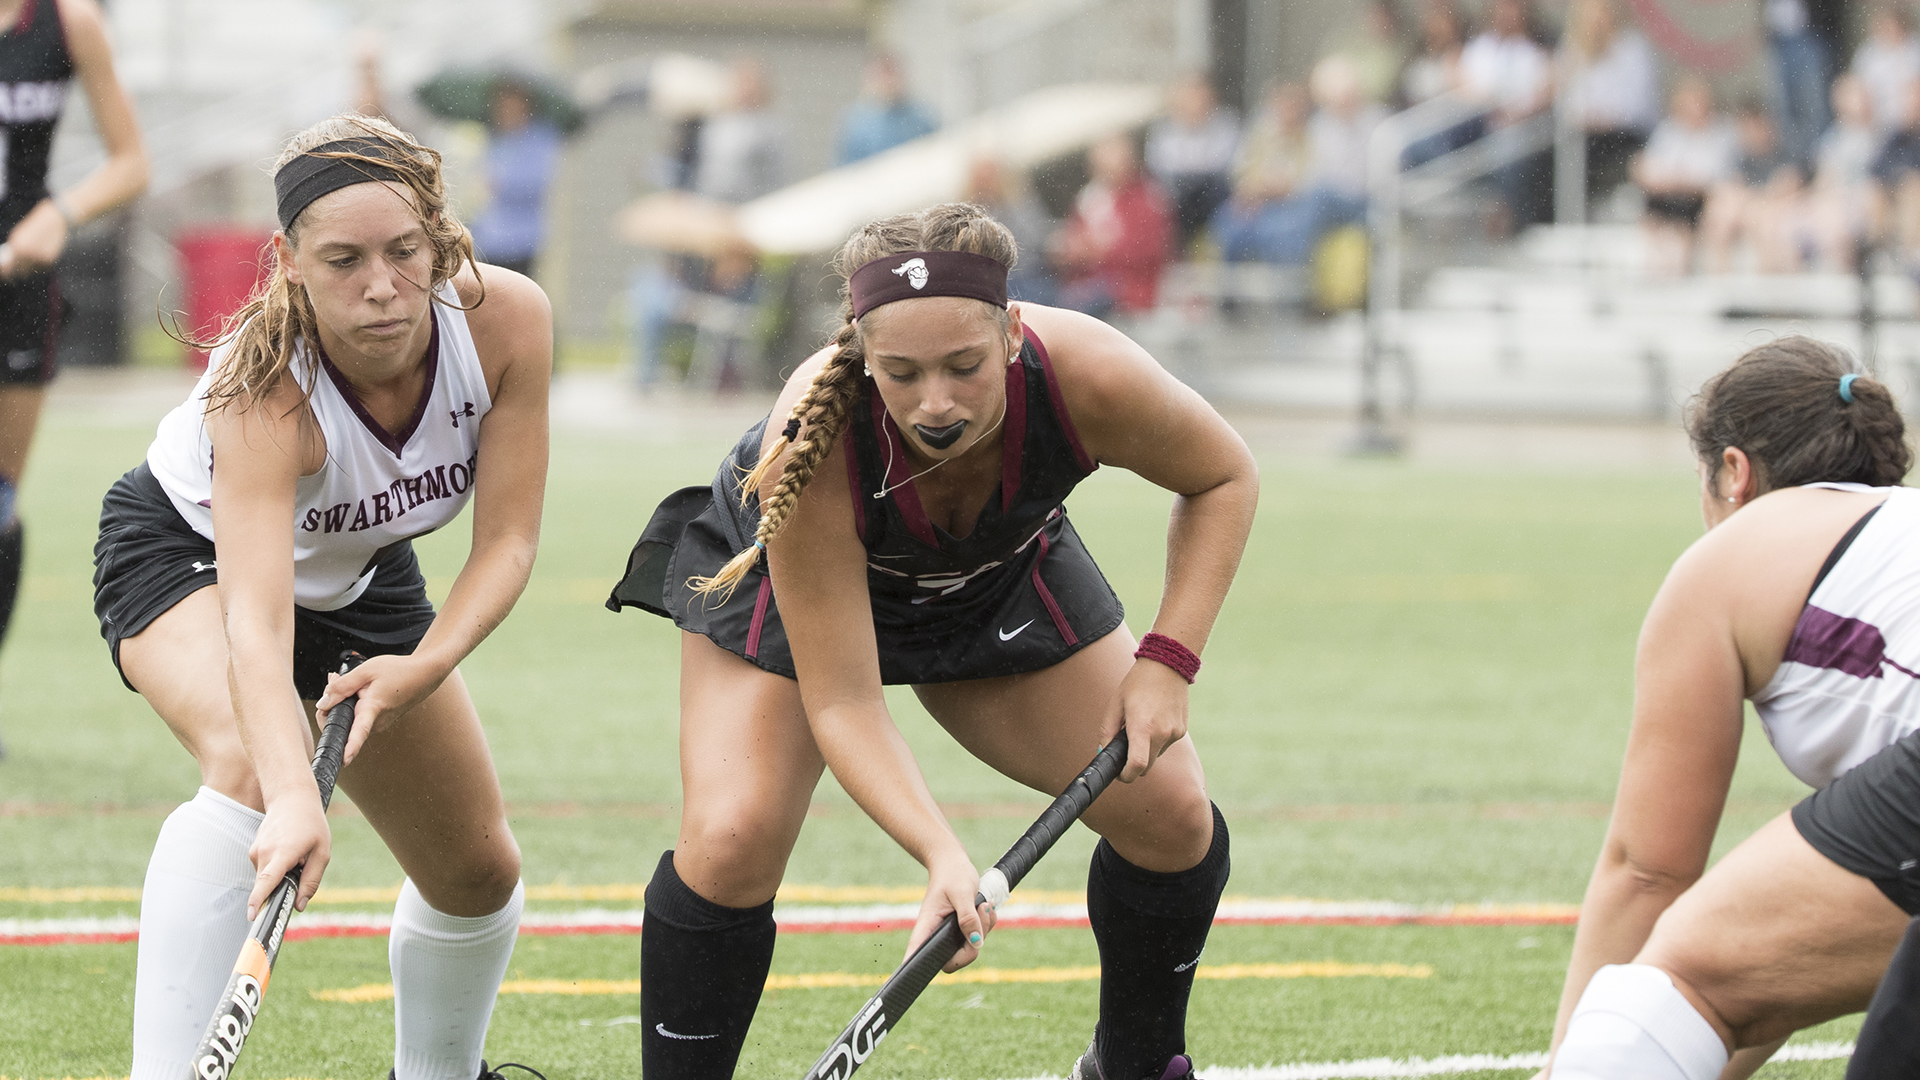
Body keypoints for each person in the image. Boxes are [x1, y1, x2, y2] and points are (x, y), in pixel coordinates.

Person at [608, 202, 1256, 1080]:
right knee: (732, 838)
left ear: (1012, 333)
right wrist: (940, 854)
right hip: (792, 586)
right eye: (902, 373)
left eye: (964, 366)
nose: (936, 403)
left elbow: (1223, 474)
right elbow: (844, 701)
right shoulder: (813, 441)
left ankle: (1134, 1067)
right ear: (860, 351)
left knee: (1172, 816)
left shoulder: (1088, 373)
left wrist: (1167, 661)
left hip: (988, 577)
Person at [93, 115, 552, 1080]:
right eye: (344, 260)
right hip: (187, 554)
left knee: (477, 872)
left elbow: (508, 541)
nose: (381, 287)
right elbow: (256, 627)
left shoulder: (506, 323)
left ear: (438, 240)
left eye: (404, 252)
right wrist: (297, 797)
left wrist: (424, 666)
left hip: (361, 574)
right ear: (289, 261)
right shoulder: (265, 389)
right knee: (252, 768)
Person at [1539, 337, 1920, 1080]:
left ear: (1734, 472)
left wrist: (1574, 1062)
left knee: (1679, 979)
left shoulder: (1733, 553)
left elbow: (1648, 872)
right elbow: (1779, 960)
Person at [0, 0, 147, 758]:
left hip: (21, 291)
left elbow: (130, 162)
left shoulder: (66, 22)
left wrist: (60, 213)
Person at [1051, 135, 1174, 316]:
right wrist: (1068, 249)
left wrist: (1099, 251)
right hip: (1089, 284)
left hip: (1128, 289)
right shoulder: (1088, 198)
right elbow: (1073, 241)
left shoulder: (1147, 197)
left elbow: (1149, 252)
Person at [1459, 0, 1553, 232]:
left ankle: (1508, 218)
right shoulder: (1480, 48)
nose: (1507, 13)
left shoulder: (1538, 50)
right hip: (1478, 126)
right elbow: (1462, 88)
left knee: (1507, 149)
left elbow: (1545, 93)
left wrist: (1511, 113)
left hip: (1524, 129)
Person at [1560, 0, 1660, 211]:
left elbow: (1636, 107)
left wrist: (1602, 117)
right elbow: (1568, 103)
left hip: (1625, 136)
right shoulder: (1575, 51)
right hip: (1584, 136)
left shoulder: (1632, 49)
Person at [1632, 77, 1739, 275]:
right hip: (1668, 197)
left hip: (1700, 201)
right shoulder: (1668, 131)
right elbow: (1648, 168)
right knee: (1654, 214)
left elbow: (1713, 177)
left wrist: (1677, 180)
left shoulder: (1721, 134)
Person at [468, 78, 564, 279]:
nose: (505, 112)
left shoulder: (539, 138)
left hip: (522, 241)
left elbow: (538, 181)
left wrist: (501, 183)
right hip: (488, 238)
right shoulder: (495, 138)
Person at [1699, 99, 1804, 273]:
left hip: (1777, 211)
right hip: (1749, 208)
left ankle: (1770, 274)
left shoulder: (1785, 153)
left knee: (1765, 218)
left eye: (1755, 127)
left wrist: (1757, 199)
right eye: (1746, 128)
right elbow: (1730, 188)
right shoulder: (1739, 158)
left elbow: (1788, 185)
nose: (1751, 134)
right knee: (1722, 211)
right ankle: (1720, 273)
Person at [1145, 73, 1240, 253]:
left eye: (1199, 94)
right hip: (1178, 194)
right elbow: (1159, 169)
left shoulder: (1226, 124)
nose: (1195, 102)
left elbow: (1227, 164)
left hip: (1215, 192)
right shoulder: (1163, 130)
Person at [695, 58, 787, 205]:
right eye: (740, 81)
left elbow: (775, 179)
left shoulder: (770, 128)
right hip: (709, 206)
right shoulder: (716, 123)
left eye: (750, 82)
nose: (745, 89)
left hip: (750, 208)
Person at [835, 54, 938, 165]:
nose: (889, 82)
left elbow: (935, 155)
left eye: (892, 74)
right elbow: (846, 168)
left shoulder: (920, 118)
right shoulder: (856, 124)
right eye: (882, 75)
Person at [1852, 5, 1920, 135]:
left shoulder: (1915, 49)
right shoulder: (1869, 51)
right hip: (1873, 116)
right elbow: (1856, 87)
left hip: (1905, 119)